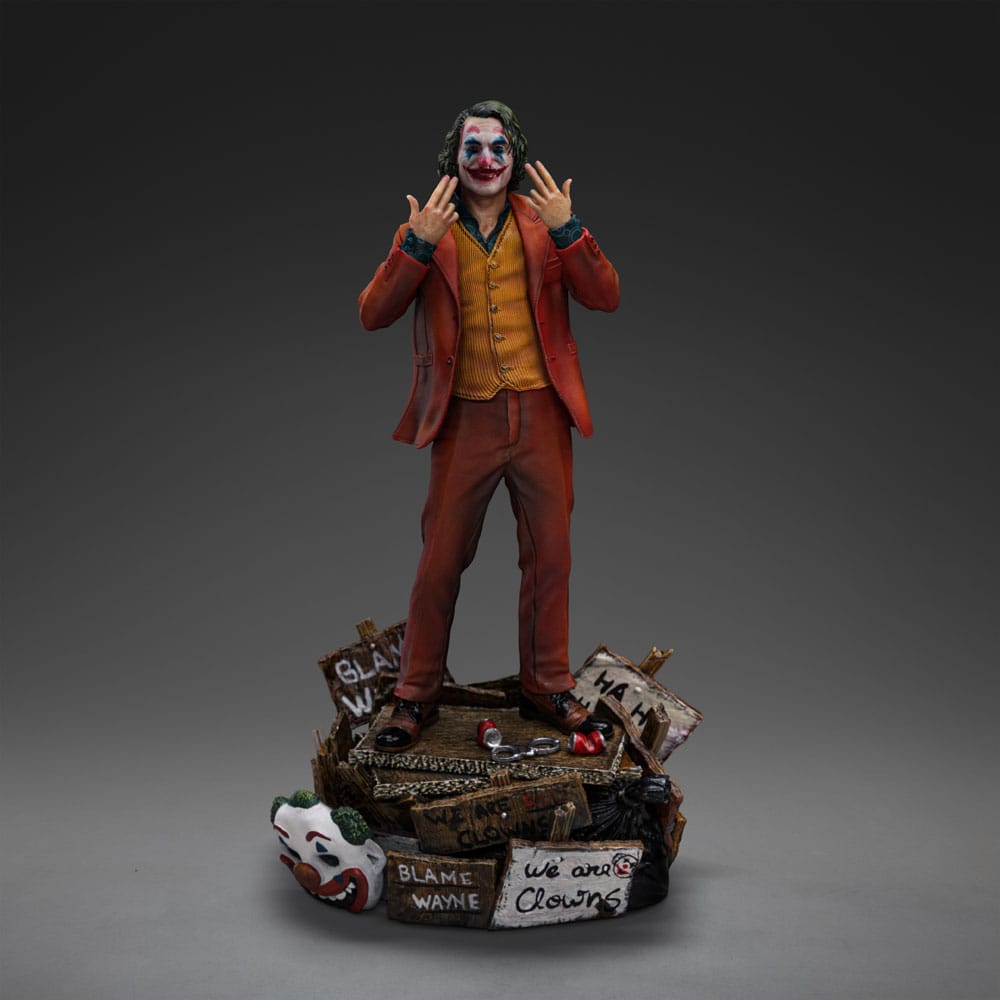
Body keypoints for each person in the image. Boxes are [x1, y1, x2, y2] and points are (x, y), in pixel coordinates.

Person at [359, 100, 620, 751]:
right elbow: (373, 313)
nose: (485, 160)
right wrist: (416, 244)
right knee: (440, 560)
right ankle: (413, 694)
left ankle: (547, 684)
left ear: (515, 156)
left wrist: (570, 230)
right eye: (472, 147)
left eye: (498, 148)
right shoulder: (429, 228)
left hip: (541, 414)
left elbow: (605, 295)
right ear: (454, 157)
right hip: (464, 419)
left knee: (551, 556)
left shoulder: (543, 222)